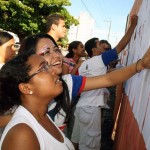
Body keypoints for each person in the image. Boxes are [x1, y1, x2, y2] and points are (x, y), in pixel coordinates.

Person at [1, 38, 150, 150]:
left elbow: (108, 79)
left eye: (56, 49)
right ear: (25, 87)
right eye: (46, 54)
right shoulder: (23, 133)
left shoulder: (44, 112)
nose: (57, 56)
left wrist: (140, 65)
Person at [71, 14, 138, 150]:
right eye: (99, 43)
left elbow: (99, 76)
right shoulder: (99, 60)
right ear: (94, 50)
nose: (102, 44)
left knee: (76, 141)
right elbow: (120, 47)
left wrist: (117, 71)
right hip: (91, 109)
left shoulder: (85, 64)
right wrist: (133, 26)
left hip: (81, 107)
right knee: (90, 147)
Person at [0, 51, 75, 150]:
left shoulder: (42, 116)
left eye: (48, 66)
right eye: (43, 68)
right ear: (26, 88)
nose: (54, 71)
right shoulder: (22, 134)